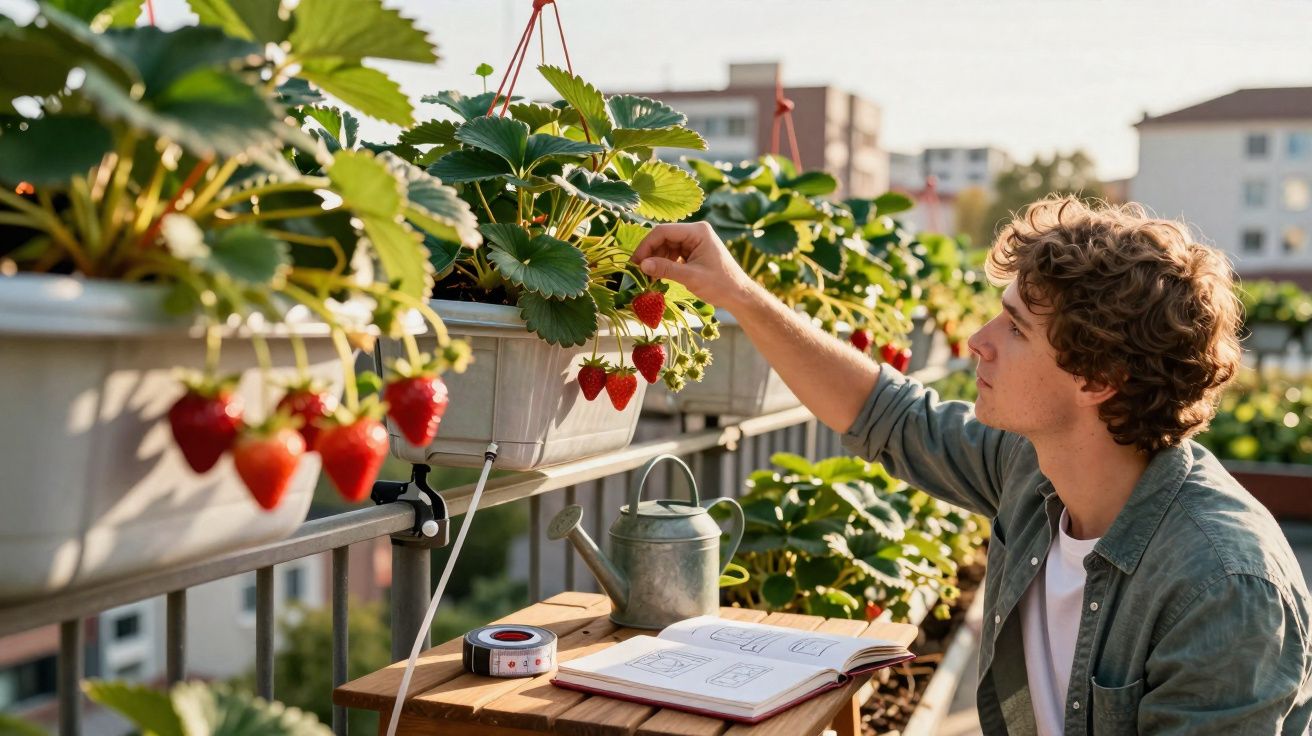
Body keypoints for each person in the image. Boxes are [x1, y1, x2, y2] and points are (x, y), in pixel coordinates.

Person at [631, 196, 1312, 735]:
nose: (979, 342)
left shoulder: (1225, 587)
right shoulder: (1035, 468)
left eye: (1015, 329)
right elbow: (884, 413)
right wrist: (738, 292)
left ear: (1099, 376)